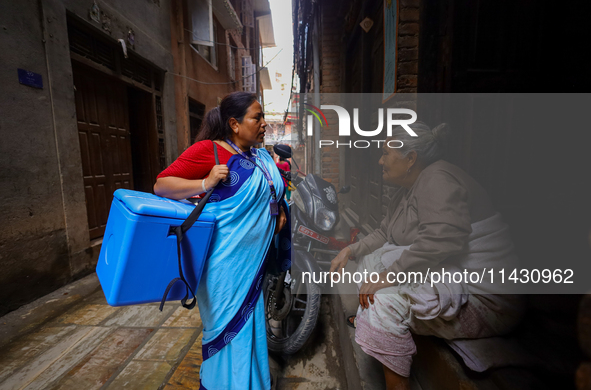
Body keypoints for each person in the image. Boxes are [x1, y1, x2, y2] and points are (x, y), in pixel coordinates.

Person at [330, 122, 524, 390]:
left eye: (386, 153)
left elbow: (441, 241)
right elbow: (384, 233)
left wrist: (387, 277)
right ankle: (374, 324)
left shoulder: (438, 179)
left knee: (384, 299)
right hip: (454, 280)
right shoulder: (406, 190)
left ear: (411, 158)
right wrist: (349, 250)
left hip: (485, 299)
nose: (380, 160)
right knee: (370, 262)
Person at [154, 92, 286, 390]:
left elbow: (271, 198)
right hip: (224, 267)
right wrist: (205, 183)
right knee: (228, 337)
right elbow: (161, 185)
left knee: (250, 333)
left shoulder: (260, 157)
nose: (264, 124)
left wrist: (278, 216)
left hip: (251, 265)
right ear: (234, 124)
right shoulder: (210, 151)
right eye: (257, 117)